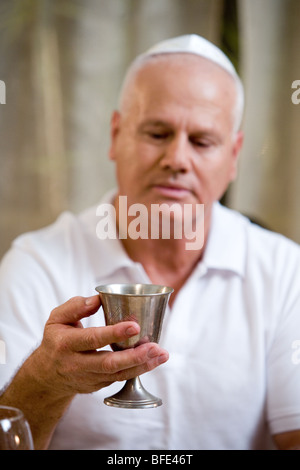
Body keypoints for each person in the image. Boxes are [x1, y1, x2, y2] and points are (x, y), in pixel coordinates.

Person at [1, 34, 300, 451]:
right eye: (157, 133)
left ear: (234, 156)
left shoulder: (285, 270)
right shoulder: (37, 263)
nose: (177, 159)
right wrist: (45, 379)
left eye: (202, 141)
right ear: (115, 135)